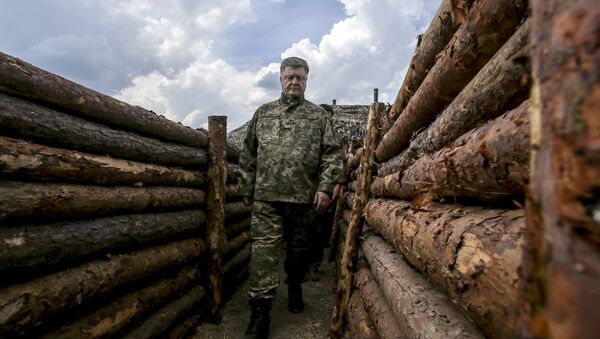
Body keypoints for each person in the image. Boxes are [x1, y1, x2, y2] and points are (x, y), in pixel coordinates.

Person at [238, 56, 343, 339]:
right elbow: (248, 153)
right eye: (290, 77)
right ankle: (260, 314)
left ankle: (295, 285)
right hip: (267, 199)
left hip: (303, 200)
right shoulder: (264, 113)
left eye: (300, 77)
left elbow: (333, 155)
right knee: (263, 254)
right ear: (281, 79)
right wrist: (247, 188)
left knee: (298, 255)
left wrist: (324, 187)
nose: (294, 82)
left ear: (306, 80)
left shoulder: (318, 116)